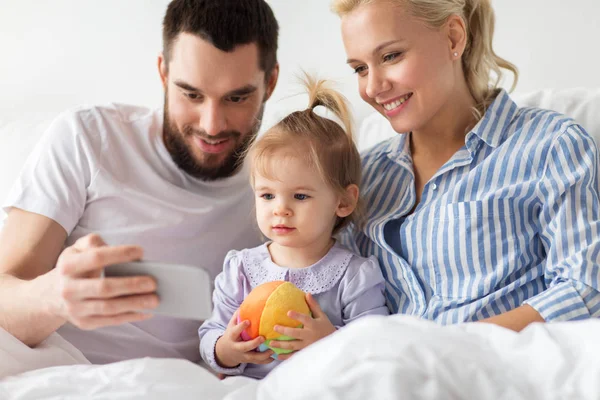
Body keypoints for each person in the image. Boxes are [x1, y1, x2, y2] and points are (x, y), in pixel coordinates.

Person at [0, 0, 280, 364]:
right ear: (163, 73)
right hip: (65, 375)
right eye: (191, 94)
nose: (212, 125)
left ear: (270, 82)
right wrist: (54, 297)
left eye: (237, 97)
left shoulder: (281, 188)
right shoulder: (89, 138)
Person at [332, 0, 600, 330]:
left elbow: (584, 290)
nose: (373, 87)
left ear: (453, 38)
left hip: (499, 371)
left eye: (390, 56)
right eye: (360, 68)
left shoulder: (551, 145)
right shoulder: (363, 177)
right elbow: (333, 292)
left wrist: (456, 347)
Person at [198, 76, 389, 379]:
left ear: (343, 201)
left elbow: (376, 346)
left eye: (300, 196)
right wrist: (226, 350)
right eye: (267, 195)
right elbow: (211, 332)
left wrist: (330, 339)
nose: (280, 209)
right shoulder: (241, 270)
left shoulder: (355, 276)